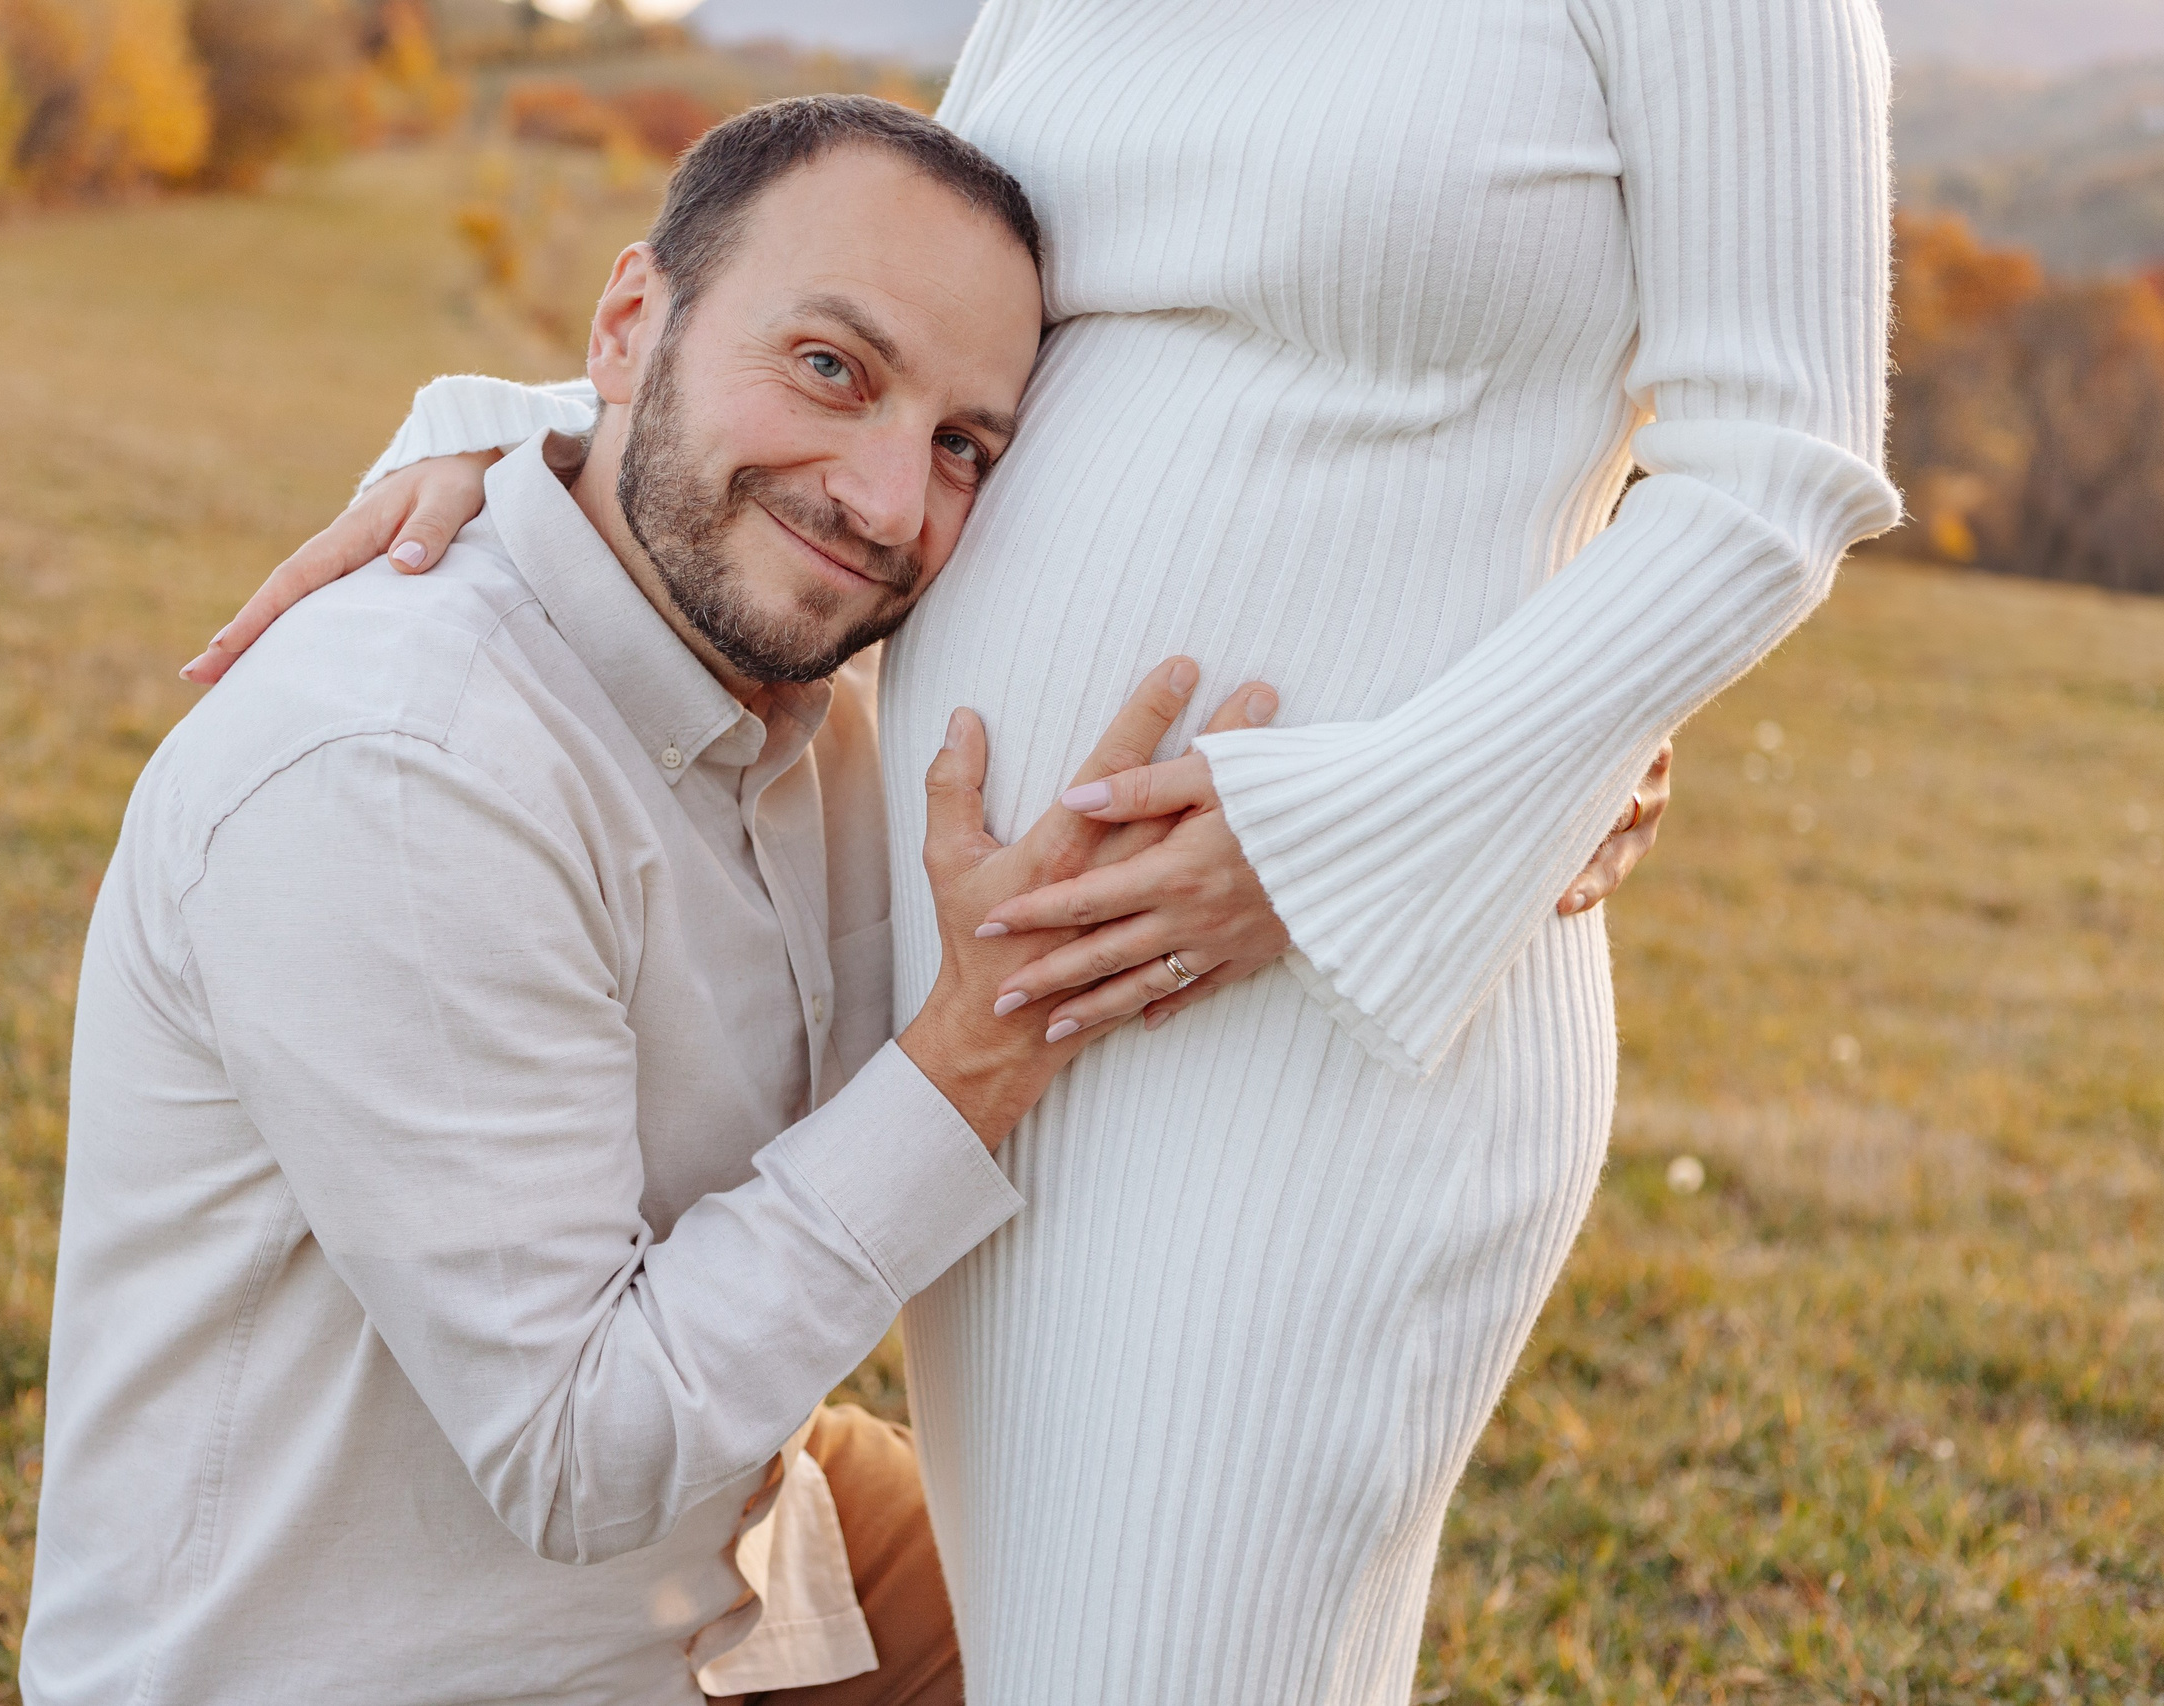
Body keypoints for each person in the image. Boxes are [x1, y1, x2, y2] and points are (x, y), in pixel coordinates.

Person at [205, 0, 1908, 1690]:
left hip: (1307, 1015)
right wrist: (529, 437)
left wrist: (1378, 817)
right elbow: (939, 324)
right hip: (1002, 1017)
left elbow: (1776, 475)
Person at [24, 99, 1289, 1706]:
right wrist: (981, 1041)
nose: (891, 503)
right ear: (628, 321)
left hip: (742, 1557)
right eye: (834, 366)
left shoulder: (815, 697)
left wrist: (1537, 769)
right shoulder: (400, 769)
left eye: (965, 444)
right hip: (407, 1659)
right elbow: (577, 1453)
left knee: (1163, 1629)